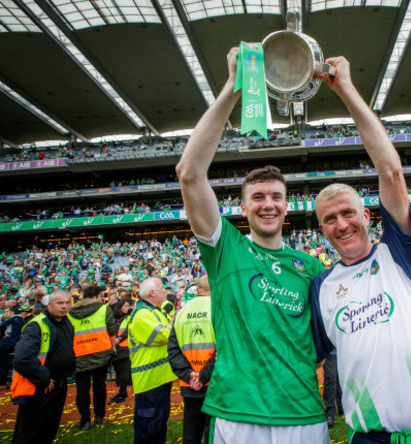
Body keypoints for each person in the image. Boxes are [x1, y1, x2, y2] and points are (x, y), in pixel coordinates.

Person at [310, 56, 411, 443]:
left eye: (347, 213)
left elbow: (390, 171)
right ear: (322, 230)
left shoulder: (398, 253)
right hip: (371, 438)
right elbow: (310, 358)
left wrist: (346, 90)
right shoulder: (321, 286)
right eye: (330, 219)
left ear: (367, 215)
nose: (341, 224)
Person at [175, 47, 329, 443]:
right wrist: (233, 87)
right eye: (258, 197)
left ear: (287, 205)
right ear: (242, 207)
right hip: (236, 411)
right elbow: (190, 173)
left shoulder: (309, 266)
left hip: (303, 411)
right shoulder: (225, 247)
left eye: (276, 196)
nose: (268, 204)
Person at [11, 290, 75, 444]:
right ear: (49, 304)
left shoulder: (67, 322)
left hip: (59, 385)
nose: (64, 307)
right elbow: (22, 358)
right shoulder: (36, 325)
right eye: (60, 303)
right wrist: (44, 379)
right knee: (30, 434)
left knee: (48, 431)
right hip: (40, 387)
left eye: (67, 303)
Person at [168, 275, 216, 444]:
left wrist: (189, 375)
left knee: (190, 433)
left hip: (190, 384)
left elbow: (173, 350)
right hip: (214, 382)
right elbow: (223, 349)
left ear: (197, 291)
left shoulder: (181, 313)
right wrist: (202, 376)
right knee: (213, 433)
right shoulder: (218, 309)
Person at [128, 278, 176, 444]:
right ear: (152, 292)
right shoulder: (142, 314)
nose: (166, 291)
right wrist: (176, 327)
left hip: (159, 377)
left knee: (159, 423)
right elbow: (162, 335)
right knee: (148, 426)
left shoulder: (153, 311)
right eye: (162, 288)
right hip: (149, 379)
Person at [68, 283, 118, 430]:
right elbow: (112, 328)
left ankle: (85, 420)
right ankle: (99, 415)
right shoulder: (103, 308)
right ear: (97, 296)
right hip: (101, 352)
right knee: (99, 386)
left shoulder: (71, 312)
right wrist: (112, 347)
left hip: (79, 354)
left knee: (82, 388)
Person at [108, 298, 133, 405]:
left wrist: (118, 340)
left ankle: (122, 393)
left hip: (124, 348)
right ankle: (122, 392)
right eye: (126, 306)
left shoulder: (128, 318)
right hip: (115, 348)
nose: (128, 308)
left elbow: (128, 331)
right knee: (118, 372)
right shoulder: (113, 318)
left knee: (123, 373)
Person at [0, 307, 26, 388]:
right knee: (7, 363)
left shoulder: (14, 319)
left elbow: (2, 325)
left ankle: (3, 383)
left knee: (3, 363)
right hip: (14, 343)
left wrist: (3, 334)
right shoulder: (22, 321)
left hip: (6, 343)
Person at [322, 350, 343, 428]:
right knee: (330, 379)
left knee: (341, 378)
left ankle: (342, 408)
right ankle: (330, 412)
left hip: (342, 351)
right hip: (329, 351)